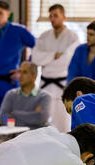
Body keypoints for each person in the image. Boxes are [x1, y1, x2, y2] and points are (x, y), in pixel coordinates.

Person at [31, 4, 79, 132]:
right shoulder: (44, 36)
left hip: (63, 85)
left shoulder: (72, 37)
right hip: (45, 85)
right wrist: (54, 55)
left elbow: (67, 61)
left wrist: (46, 60)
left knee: (63, 124)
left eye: (55, 15)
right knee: (42, 123)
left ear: (64, 17)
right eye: (50, 16)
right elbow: (35, 58)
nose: (52, 19)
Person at [0, 62, 51, 129]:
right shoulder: (11, 94)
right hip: (13, 137)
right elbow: (3, 118)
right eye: (19, 72)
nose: (20, 75)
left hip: (35, 137)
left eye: (24, 72)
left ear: (34, 76)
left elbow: (40, 118)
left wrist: (14, 113)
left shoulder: (45, 97)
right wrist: (32, 119)